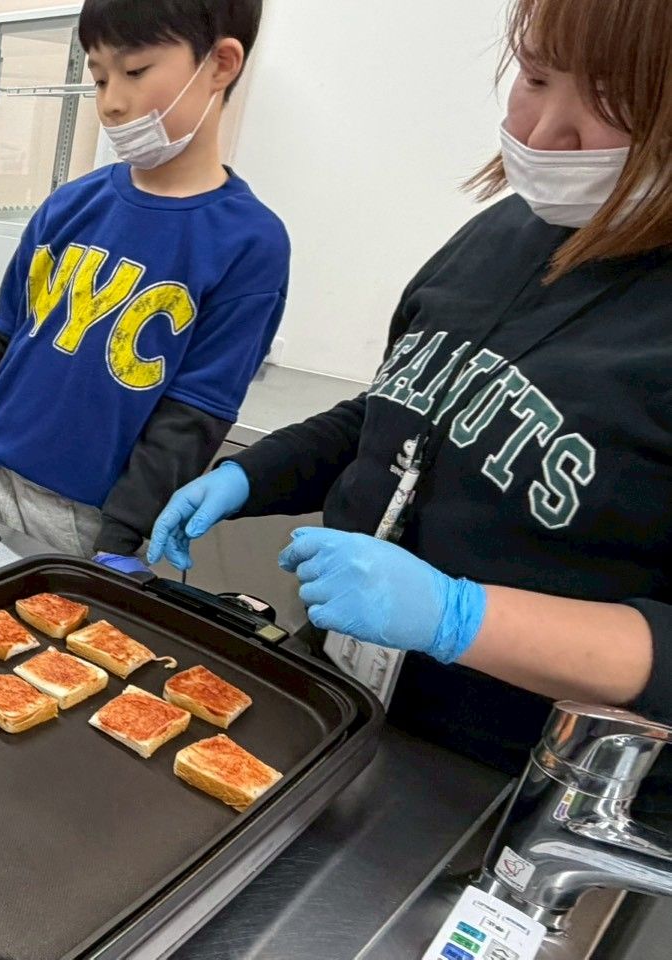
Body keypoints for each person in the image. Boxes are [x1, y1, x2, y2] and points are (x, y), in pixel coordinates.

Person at [147, 0, 672, 801]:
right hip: (342, 704)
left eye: (612, 102)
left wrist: (459, 616)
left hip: (509, 781)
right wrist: (250, 474)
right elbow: (398, 412)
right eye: (535, 79)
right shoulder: (497, 236)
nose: (543, 131)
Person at [0, 0, 287, 570]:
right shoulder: (72, 204)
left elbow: (191, 417)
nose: (111, 102)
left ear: (221, 64)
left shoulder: (248, 243)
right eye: (100, 77)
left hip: (92, 517)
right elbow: (3, 338)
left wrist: (121, 538)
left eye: (135, 72)